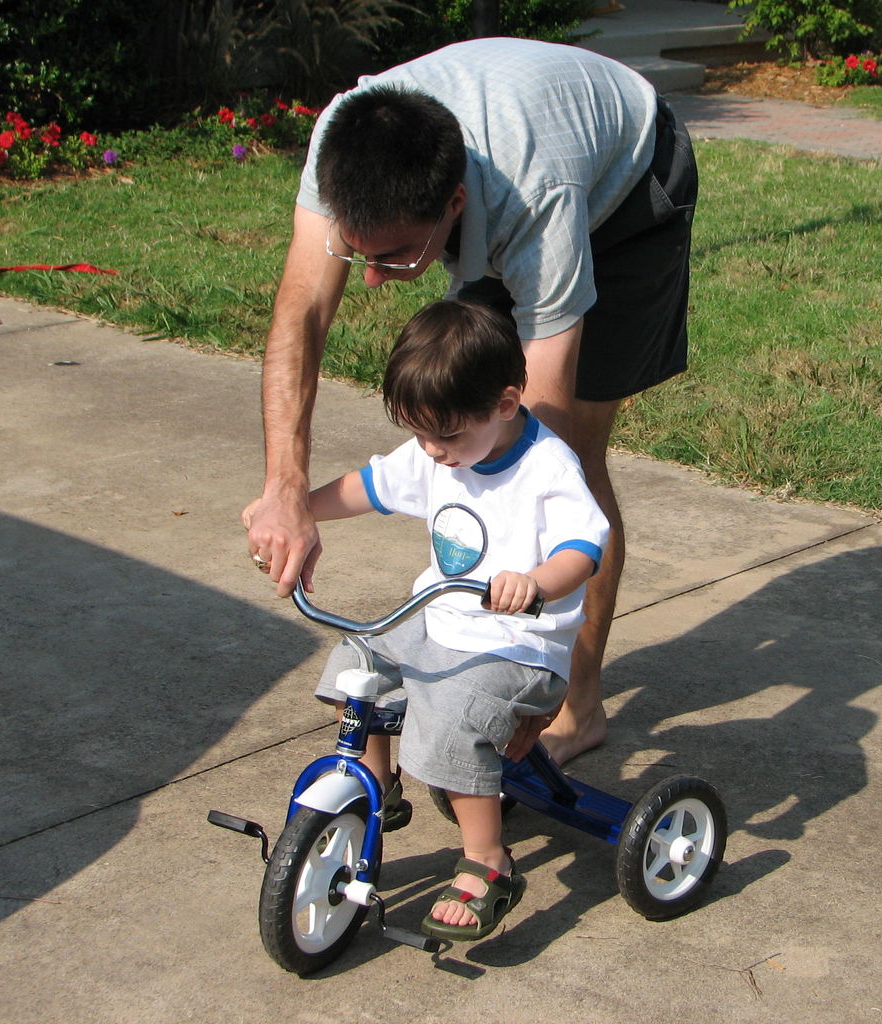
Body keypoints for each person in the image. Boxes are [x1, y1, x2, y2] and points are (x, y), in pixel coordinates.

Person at [243, 36, 698, 765]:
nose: (370, 280)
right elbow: (299, 315)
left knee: (559, 455)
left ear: (453, 205)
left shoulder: (537, 199)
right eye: (355, 252)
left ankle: (572, 705)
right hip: (505, 165)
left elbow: (540, 438)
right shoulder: (346, 137)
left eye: (391, 258)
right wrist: (284, 488)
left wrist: (523, 674)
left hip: (626, 191)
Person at [306, 299, 609, 940]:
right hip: (441, 617)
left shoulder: (546, 467)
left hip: (518, 644)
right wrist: (300, 512)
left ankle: (488, 863)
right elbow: (368, 486)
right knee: (354, 667)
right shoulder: (439, 448)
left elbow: (584, 548)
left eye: (445, 437)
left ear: (503, 404)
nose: (433, 453)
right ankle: (378, 791)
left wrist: (535, 583)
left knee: (450, 724)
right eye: (421, 436)